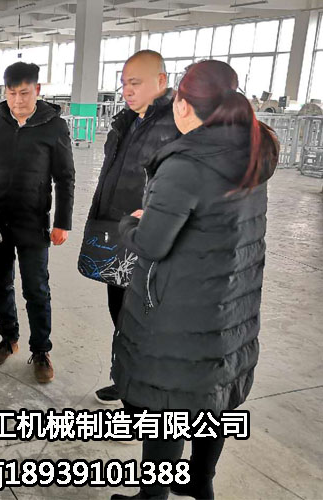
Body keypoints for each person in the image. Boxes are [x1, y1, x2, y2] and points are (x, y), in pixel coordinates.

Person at [109, 60, 279, 500]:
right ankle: (200, 482)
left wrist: (131, 221)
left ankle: (154, 496)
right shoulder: (250, 151)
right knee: (213, 397)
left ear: (183, 104)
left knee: (168, 403)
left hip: (183, 310)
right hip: (231, 304)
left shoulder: (186, 164)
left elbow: (152, 243)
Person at [80, 50, 181, 405]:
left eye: (135, 83)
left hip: (148, 240)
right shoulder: (126, 122)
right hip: (117, 232)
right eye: (124, 83)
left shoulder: (175, 125)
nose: (127, 90)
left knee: (144, 321)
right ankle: (126, 380)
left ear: (161, 81)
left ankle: (145, 397)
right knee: (120, 313)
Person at [0, 62, 75, 384]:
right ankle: (8, 338)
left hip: (32, 223)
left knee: (36, 288)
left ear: (37, 90)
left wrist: (63, 222)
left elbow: (65, 178)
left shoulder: (54, 127)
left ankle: (40, 350)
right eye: (11, 93)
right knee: (0, 284)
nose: (17, 101)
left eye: (24, 93)